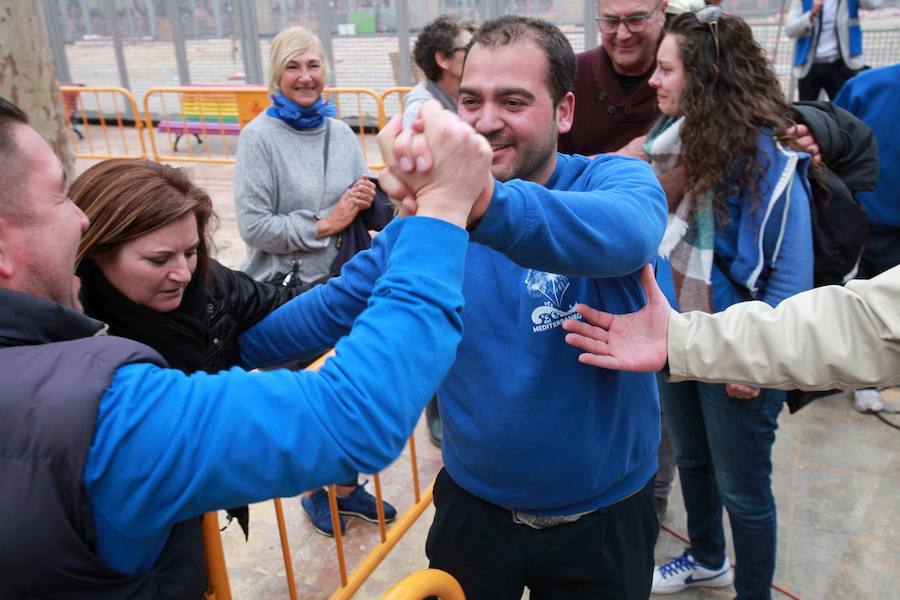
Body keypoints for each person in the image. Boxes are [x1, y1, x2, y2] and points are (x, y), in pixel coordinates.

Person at [0, 96, 488, 597]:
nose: (79, 218)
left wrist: (405, 235)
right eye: (59, 196)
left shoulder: (196, 293)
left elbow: (288, 321)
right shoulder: (97, 400)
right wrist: (442, 215)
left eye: (191, 252)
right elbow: (349, 420)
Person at [294, 16, 668, 599]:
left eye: (513, 101)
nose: (486, 121)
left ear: (564, 112)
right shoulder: (434, 221)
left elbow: (629, 232)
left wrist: (479, 202)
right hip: (475, 510)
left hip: (603, 518)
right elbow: (330, 306)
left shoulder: (609, 180)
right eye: (470, 100)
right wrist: (211, 336)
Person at [637, 8, 814, 598]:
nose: (653, 80)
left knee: (744, 490)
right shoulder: (675, 141)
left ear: (706, 76)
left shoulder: (768, 155)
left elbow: (792, 273)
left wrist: (758, 360)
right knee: (693, 461)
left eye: (666, 69)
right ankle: (707, 557)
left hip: (740, 347)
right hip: (681, 333)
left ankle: (752, 591)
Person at [233, 25, 395, 536]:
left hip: (341, 284)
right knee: (308, 402)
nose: (305, 77)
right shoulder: (258, 137)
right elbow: (254, 225)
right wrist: (325, 223)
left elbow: (359, 198)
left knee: (348, 391)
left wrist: (370, 198)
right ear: (275, 76)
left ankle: (345, 489)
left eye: (313, 66)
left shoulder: (340, 132)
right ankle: (313, 491)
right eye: (293, 67)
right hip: (285, 292)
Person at [564, 264, 900, 390]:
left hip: (727, 340)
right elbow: (862, 325)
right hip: (688, 333)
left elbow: (791, 276)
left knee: (740, 488)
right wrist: (680, 339)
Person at [834, 63, 900, 412]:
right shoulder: (866, 87)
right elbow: (832, 140)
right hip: (862, 222)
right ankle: (863, 380)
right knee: (858, 305)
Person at [557, 0, 666, 156]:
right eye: (611, 21)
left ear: (662, 10)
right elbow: (549, 167)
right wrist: (625, 157)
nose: (622, 35)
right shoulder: (570, 76)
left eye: (636, 19)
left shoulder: (693, 74)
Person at [785, 0, 882, 101]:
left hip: (841, 64)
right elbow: (790, 29)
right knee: (807, 107)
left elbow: (873, 4)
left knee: (843, 106)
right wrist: (811, 14)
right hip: (809, 66)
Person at [402, 14, 476, 129]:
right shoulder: (420, 112)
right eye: (469, 48)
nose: (477, 54)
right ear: (443, 59)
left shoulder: (471, 95)